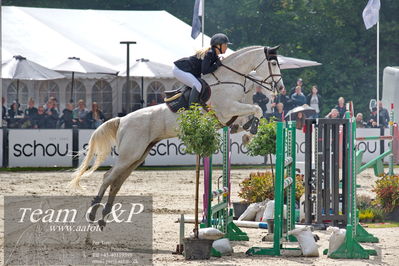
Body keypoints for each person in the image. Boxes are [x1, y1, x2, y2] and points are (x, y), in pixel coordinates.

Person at [173, 33, 230, 106]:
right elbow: (205, 71)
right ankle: (192, 110)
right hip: (180, 69)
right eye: (225, 45)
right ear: (218, 45)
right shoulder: (209, 53)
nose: (227, 47)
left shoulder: (214, 55)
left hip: (186, 70)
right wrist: (216, 65)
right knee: (197, 85)